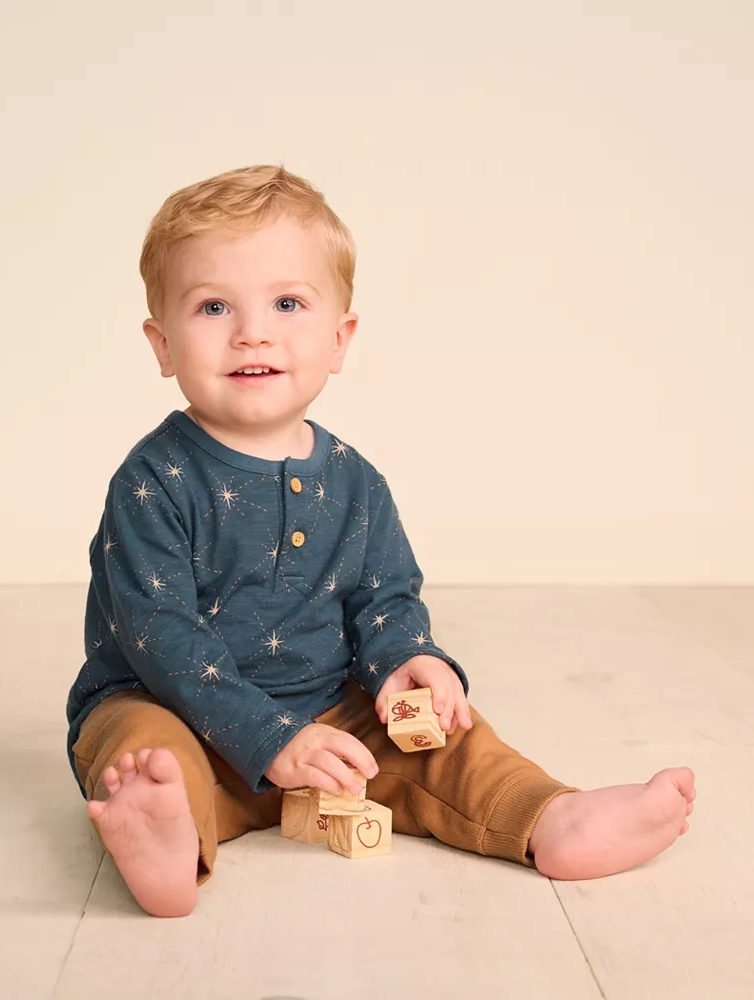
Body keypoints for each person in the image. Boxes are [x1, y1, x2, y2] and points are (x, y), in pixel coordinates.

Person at [65, 164, 696, 917]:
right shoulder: (153, 481)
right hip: (178, 710)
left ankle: (548, 817)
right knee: (144, 751)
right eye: (213, 306)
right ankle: (167, 841)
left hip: (330, 722)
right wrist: (268, 738)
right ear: (162, 344)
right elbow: (161, 637)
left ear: (339, 340)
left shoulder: (355, 481)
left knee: (449, 740)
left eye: (287, 303)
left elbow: (384, 597)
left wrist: (405, 658)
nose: (252, 331)